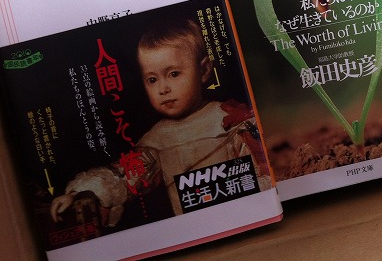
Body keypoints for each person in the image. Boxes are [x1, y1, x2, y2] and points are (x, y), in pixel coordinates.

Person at [50, 17, 270, 227]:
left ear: (203, 70)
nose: (163, 88)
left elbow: (264, 174)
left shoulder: (230, 120)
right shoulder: (156, 140)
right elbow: (124, 176)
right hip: (194, 229)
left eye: (174, 74)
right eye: (152, 79)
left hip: (246, 218)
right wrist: (82, 194)